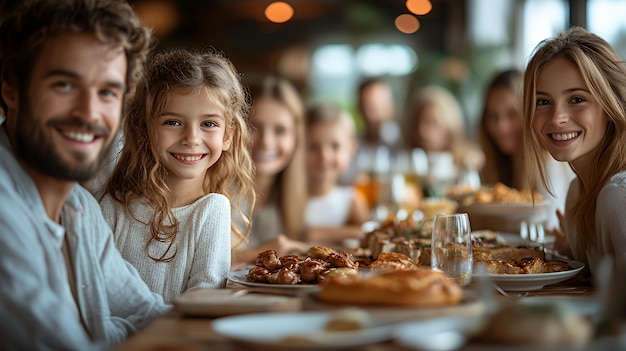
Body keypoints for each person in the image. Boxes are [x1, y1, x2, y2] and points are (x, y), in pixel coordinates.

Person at [0, 0, 170, 349]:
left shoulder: (79, 206)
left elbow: (147, 315)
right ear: (11, 90)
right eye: (64, 85)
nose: (88, 112)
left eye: (107, 92)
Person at [99, 48, 255, 303]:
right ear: (144, 128)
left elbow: (203, 300)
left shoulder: (212, 209)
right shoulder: (113, 206)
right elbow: (96, 292)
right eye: (173, 122)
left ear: (228, 136)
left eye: (209, 124)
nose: (192, 138)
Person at [523, 26, 626, 281]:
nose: (557, 118)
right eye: (543, 101)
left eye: (577, 99)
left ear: (610, 103)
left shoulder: (617, 196)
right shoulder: (576, 195)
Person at [479, 69, 575, 230]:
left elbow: (551, 226)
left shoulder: (549, 160)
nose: (501, 127)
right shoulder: (492, 163)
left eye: (512, 114)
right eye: (493, 116)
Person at [232, 75, 309, 267]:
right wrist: (269, 250)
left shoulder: (290, 195)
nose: (267, 142)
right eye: (254, 127)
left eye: (280, 130)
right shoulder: (216, 193)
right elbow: (207, 262)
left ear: (296, 138)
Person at [304, 103, 370, 246]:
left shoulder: (352, 201)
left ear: (351, 148)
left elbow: (370, 235)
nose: (324, 156)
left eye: (335, 146)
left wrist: (314, 234)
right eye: (312, 146)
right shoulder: (287, 198)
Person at [403, 84, 484, 197]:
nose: (422, 130)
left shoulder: (465, 162)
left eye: (432, 122)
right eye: (418, 123)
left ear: (450, 126)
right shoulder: (409, 166)